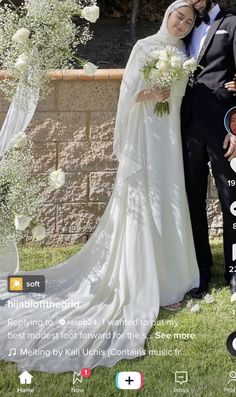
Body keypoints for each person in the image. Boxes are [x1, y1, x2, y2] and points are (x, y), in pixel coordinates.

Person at [0, 0, 199, 374]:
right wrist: (148, 94)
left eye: (188, 20)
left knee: (170, 199)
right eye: (178, 16)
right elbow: (127, 94)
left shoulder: (183, 54)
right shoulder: (144, 46)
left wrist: (167, 92)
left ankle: (172, 278)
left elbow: (179, 97)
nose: (183, 23)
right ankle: (139, 276)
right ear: (168, 15)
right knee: (145, 199)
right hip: (144, 134)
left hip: (167, 136)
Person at [181, 0, 236, 298]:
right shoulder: (186, 27)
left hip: (223, 130)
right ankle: (200, 271)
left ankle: (234, 271)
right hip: (188, 130)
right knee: (193, 202)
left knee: (232, 201)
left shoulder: (232, 24)